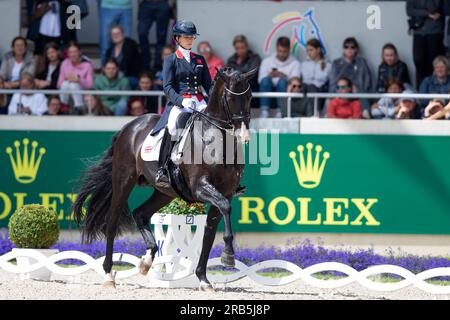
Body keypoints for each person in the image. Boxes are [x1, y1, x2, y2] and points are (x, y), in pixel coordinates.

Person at [150, 20, 212, 188]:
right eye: (186, 37)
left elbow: (209, 85)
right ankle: (162, 169)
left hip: (199, 102)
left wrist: (214, 101)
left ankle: (226, 168)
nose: (190, 40)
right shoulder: (171, 60)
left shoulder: (199, 60)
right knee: (172, 126)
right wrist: (181, 100)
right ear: (177, 38)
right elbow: (167, 86)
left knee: (218, 124)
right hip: (181, 103)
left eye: (192, 37)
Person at [258, 36, 301, 118]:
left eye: (284, 51)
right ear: (276, 48)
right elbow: (260, 80)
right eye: (279, 51)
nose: (281, 54)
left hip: (285, 91)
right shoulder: (267, 61)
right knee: (265, 80)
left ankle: (280, 111)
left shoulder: (295, 63)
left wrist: (284, 76)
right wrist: (269, 76)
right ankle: (264, 111)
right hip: (268, 91)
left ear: (289, 50)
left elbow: (295, 82)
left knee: (282, 81)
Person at [407, 0, 445, 87]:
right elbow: (409, 11)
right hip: (418, 31)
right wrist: (427, 14)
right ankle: (422, 90)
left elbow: (433, 8)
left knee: (433, 62)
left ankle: (433, 89)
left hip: (434, 31)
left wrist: (423, 12)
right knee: (418, 60)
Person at [226, 35, 261, 109]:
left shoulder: (254, 58)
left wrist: (237, 73)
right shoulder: (231, 60)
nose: (240, 50)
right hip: (234, 91)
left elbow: (251, 75)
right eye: (237, 48)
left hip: (250, 89)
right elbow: (227, 75)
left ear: (247, 47)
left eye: (242, 48)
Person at [57, 41, 94, 111]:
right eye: (70, 52)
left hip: (83, 93)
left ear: (80, 52)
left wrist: (79, 80)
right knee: (65, 84)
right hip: (67, 91)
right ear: (67, 54)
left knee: (74, 84)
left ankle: (79, 108)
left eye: (75, 52)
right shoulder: (64, 63)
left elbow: (90, 85)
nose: (73, 54)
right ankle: (63, 107)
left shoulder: (87, 64)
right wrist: (67, 78)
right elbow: (59, 84)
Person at [137, 0, 172, 71]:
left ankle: (158, 65)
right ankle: (145, 63)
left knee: (161, 36)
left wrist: (170, 3)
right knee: (142, 33)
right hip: (146, 3)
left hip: (163, 3)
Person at [105, 25, 142, 89]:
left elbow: (126, 62)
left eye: (118, 33)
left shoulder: (130, 44)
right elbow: (107, 64)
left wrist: (114, 73)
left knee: (122, 82)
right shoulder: (110, 49)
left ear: (123, 34)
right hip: (114, 76)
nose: (115, 35)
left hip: (131, 77)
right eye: (113, 34)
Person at [300, 38, 331, 114]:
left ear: (318, 50)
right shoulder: (304, 64)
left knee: (312, 87)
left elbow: (329, 82)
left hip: (320, 91)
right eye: (307, 50)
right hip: (305, 91)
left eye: (311, 50)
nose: (309, 53)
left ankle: (316, 112)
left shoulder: (327, 65)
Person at [99, 0, 133, 65]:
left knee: (126, 43)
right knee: (106, 43)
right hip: (108, 6)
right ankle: (105, 70)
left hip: (126, 7)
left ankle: (124, 70)